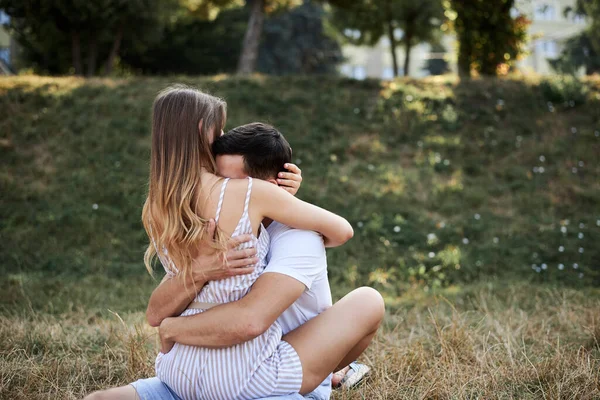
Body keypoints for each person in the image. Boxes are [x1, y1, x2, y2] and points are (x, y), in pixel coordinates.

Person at [85, 87, 384, 400]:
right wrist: (277, 196)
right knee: (369, 300)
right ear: (203, 129)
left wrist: (178, 315)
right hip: (243, 375)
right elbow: (342, 231)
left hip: (177, 369)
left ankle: (333, 372)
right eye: (221, 128)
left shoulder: (159, 207)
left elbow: (156, 315)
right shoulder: (251, 193)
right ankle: (330, 374)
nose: (223, 136)